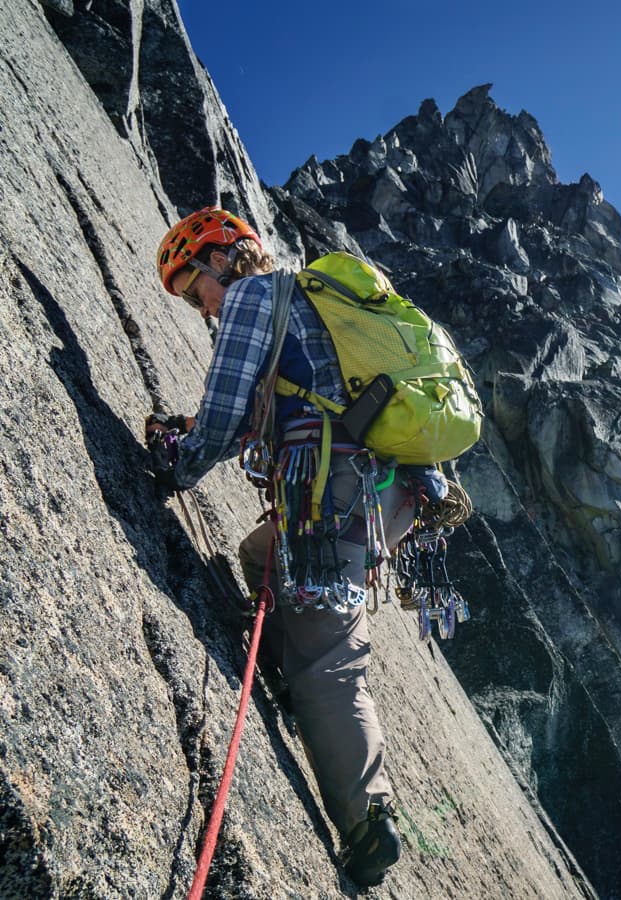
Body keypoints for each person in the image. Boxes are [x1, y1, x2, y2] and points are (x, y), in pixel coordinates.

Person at [149, 207, 413, 887]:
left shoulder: (249, 299)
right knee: (261, 557)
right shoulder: (306, 302)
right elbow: (273, 410)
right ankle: (290, 685)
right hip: (382, 487)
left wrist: (177, 462)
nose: (199, 306)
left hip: (339, 491)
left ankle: (367, 823)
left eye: (192, 286)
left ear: (218, 259)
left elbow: (224, 411)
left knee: (329, 658)